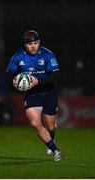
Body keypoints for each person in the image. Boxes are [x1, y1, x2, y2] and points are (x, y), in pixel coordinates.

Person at [6, 30, 62, 161]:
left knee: (50, 126)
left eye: (36, 43)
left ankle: (51, 138)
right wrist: (13, 80)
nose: (33, 46)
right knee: (35, 124)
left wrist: (38, 81)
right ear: (25, 45)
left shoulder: (47, 55)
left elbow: (56, 75)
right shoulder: (18, 57)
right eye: (30, 44)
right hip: (31, 94)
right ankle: (56, 151)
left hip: (49, 92)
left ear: (39, 43)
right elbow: (9, 74)